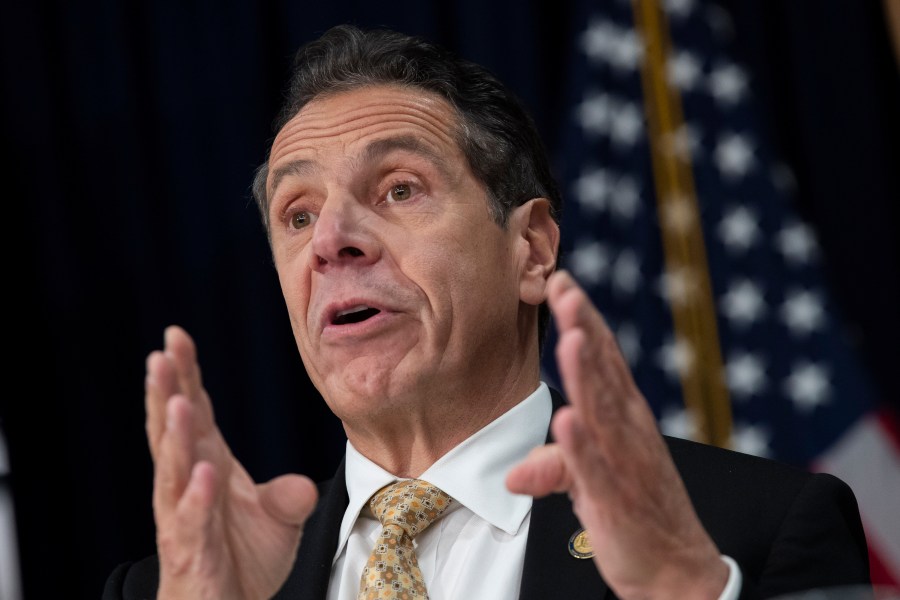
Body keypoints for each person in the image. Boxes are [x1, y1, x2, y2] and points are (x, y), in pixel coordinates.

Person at [103, 24, 870, 600]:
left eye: (399, 190)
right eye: (297, 214)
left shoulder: (751, 529)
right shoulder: (178, 584)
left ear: (531, 249)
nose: (332, 242)